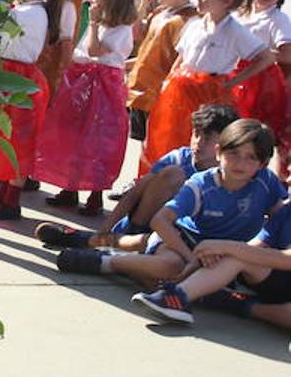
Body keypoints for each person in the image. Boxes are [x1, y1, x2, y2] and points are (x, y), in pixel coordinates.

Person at [59, 120, 285, 283]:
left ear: (263, 163)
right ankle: (106, 262)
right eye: (233, 153)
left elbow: (280, 217)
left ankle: (92, 242)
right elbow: (160, 220)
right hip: (183, 241)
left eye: (251, 157)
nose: (240, 163)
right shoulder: (202, 184)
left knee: (151, 259)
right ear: (218, 152)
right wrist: (190, 259)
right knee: (170, 267)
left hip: (226, 252)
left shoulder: (266, 183)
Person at [36, 104, 238, 250]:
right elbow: (136, 192)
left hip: (179, 237)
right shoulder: (179, 158)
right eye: (196, 134)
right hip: (146, 224)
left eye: (208, 138)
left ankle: (91, 245)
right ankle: (111, 238)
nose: (198, 143)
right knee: (170, 174)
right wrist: (106, 226)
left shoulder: (229, 175)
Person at [140, 0, 273, 174]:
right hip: (180, 90)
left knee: (204, 142)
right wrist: (167, 82)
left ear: (226, 0)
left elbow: (265, 57)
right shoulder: (195, 25)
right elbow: (182, 57)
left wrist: (233, 81)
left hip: (210, 93)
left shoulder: (235, 31)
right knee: (166, 136)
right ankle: (158, 178)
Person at [36, 0, 138, 215]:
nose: (92, 0)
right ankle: (70, 188)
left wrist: (91, 24)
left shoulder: (122, 29)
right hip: (82, 80)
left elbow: (95, 49)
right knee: (73, 133)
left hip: (103, 84)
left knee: (98, 138)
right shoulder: (101, 22)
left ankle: (95, 194)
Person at [0, 0, 61, 220]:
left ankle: (11, 200)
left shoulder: (25, 13)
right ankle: (5, 193)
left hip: (15, 76)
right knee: (9, 139)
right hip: (18, 75)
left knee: (16, 141)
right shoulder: (36, 11)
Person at [132, 202, 291, 329]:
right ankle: (177, 297)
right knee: (237, 257)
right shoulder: (286, 209)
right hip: (280, 280)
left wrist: (227, 246)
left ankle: (234, 303)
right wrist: (216, 254)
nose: (289, 177)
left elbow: (286, 259)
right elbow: (257, 245)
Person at [125, 0, 202, 148]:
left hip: (159, 97)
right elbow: (147, 52)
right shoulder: (161, 12)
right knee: (141, 145)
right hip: (140, 93)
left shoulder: (186, 21)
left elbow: (180, 62)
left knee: (155, 146)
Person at [232, 0, 291, 158]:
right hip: (234, 73)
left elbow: (287, 54)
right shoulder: (240, 13)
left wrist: (259, 55)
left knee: (249, 132)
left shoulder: (277, 19)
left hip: (258, 81)